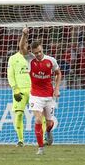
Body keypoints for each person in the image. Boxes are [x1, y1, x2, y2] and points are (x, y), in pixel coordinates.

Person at [19, 27, 62, 155]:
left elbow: (58, 74)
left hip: (49, 96)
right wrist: (24, 35)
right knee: (38, 120)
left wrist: (57, 88)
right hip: (35, 96)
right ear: (32, 52)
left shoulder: (51, 60)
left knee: (49, 123)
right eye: (35, 52)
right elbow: (22, 47)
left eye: (39, 52)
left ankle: (48, 131)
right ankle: (40, 148)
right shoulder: (30, 59)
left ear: (42, 49)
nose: (38, 54)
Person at [7, 33, 47, 147]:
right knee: (19, 115)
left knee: (40, 114)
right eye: (22, 43)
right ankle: (20, 140)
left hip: (34, 90)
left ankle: (43, 138)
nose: (24, 45)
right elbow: (10, 75)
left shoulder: (32, 57)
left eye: (26, 43)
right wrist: (15, 89)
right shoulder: (13, 58)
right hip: (20, 91)